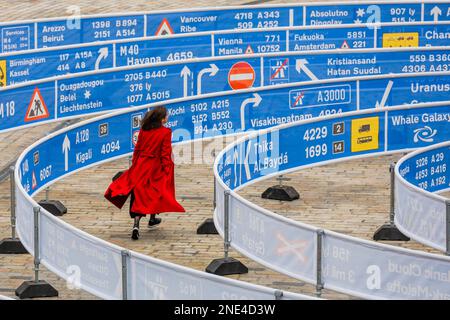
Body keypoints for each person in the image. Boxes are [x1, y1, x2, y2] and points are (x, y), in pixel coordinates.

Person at [104, 106, 185, 240]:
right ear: (161, 118)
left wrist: (135, 165)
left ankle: (136, 225)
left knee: (138, 195)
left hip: (141, 165)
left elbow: (138, 149)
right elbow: (165, 153)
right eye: (166, 115)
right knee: (155, 193)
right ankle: (152, 218)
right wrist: (167, 168)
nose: (168, 117)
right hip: (155, 167)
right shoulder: (165, 132)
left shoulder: (144, 130)